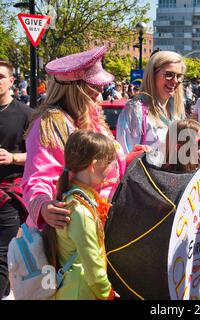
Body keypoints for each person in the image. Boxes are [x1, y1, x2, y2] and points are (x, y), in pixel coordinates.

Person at [22, 46, 125, 233]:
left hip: (101, 223)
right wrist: (44, 206)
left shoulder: (94, 115)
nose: (101, 89)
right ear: (74, 88)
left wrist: (131, 158)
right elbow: (38, 177)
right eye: (94, 85)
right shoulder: (50, 122)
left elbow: (107, 165)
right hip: (71, 229)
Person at [43, 130, 118, 299]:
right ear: (93, 165)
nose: (110, 170)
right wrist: (108, 294)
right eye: (108, 164)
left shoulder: (76, 196)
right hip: (80, 292)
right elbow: (93, 267)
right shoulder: (80, 210)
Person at [116, 51, 186, 167]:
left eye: (179, 76)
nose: (175, 81)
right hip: (146, 183)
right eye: (169, 74)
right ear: (152, 74)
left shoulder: (178, 110)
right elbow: (125, 160)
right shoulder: (135, 110)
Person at [0, 60, 33, 299]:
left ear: (11, 81)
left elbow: (37, 155)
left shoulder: (26, 114)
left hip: (8, 196)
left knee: (2, 254)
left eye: (0, 77)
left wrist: (12, 157)